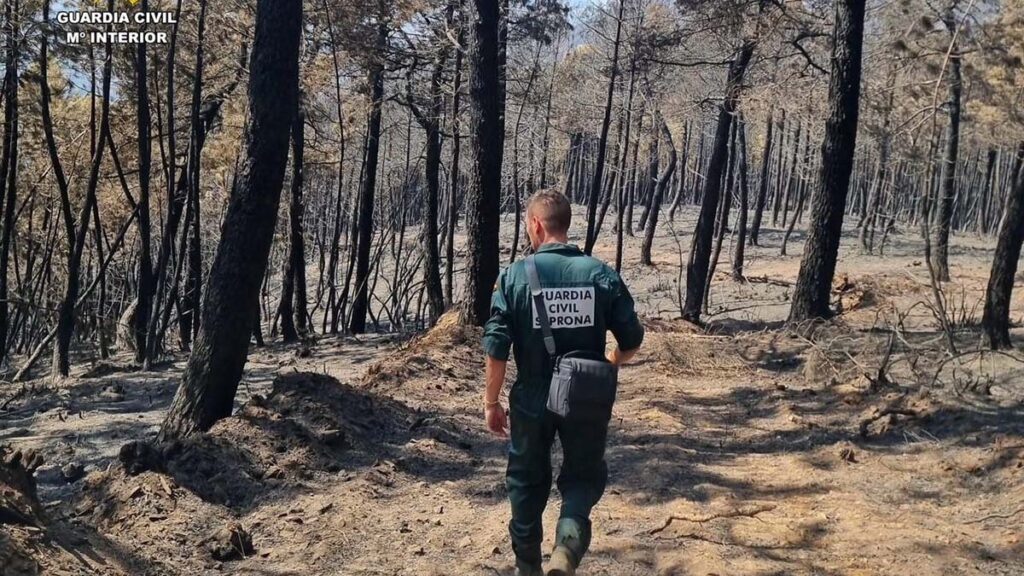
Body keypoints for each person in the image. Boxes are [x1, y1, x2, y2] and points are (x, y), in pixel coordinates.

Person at [482, 190, 645, 576]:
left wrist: (492, 402)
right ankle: (566, 553)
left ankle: (528, 569)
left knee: (524, 481)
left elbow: (496, 348)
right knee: (583, 478)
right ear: (565, 224)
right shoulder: (600, 275)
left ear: (536, 224)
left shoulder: (514, 277)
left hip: (532, 397)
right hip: (584, 393)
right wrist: (613, 361)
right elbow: (633, 340)